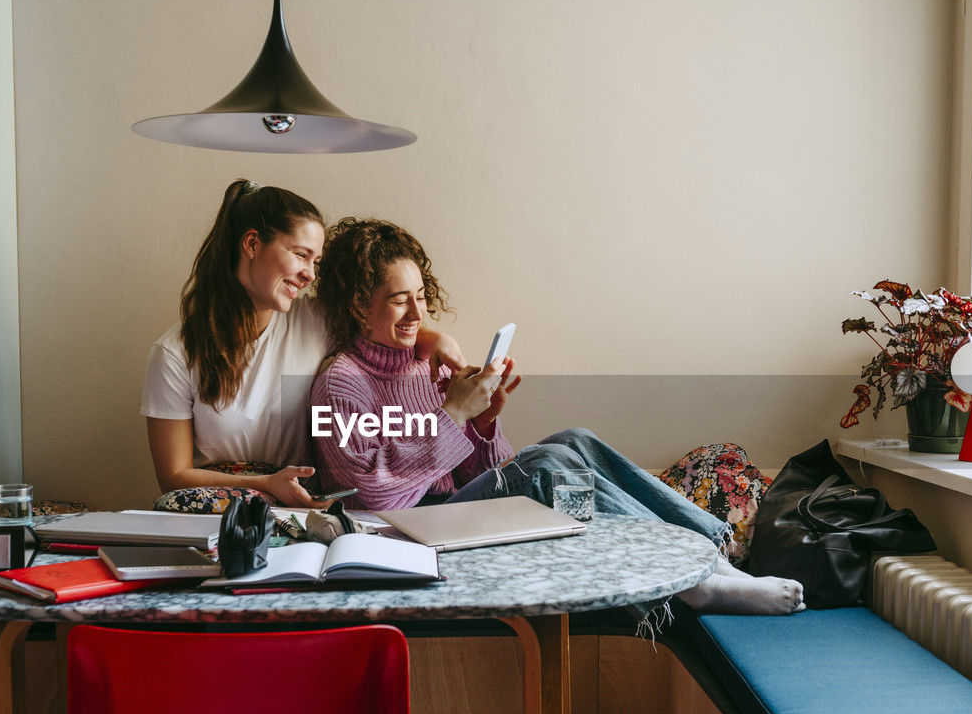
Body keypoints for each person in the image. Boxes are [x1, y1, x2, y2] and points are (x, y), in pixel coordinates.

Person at [309, 218, 804, 615]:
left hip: (443, 514)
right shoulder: (341, 381)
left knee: (577, 441)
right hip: (400, 532)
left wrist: (481, 425)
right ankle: (689, 583)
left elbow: (478, 475)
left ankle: (709, 555)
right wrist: (455, 411)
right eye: (400, 299)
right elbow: (375, 493)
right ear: (358, 304)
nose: (418, 311)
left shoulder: (426, 365)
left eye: (420, 294)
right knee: (546, 466)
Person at [141, 181, 466, 513]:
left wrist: (436, 339)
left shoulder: (314, 320)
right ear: (252, 244)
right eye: (300, 255)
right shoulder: (174, 354)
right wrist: (265, 485)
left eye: (315, 261)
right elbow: (173, 476)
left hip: (305, 508)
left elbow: (384, 322)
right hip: (219, 510)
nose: (309, 274)